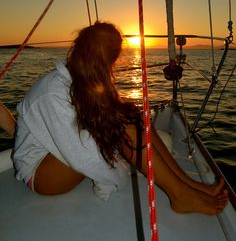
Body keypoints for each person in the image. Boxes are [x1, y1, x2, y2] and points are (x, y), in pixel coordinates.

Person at [0, 21, 228, 215]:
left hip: (61, 155)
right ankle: (180, 196)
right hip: (39, 173)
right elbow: (81, 154)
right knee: (123, 124)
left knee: (134, 116)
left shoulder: (86, 77)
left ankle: (187, 186)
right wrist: (114, 179)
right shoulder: (53, 93)